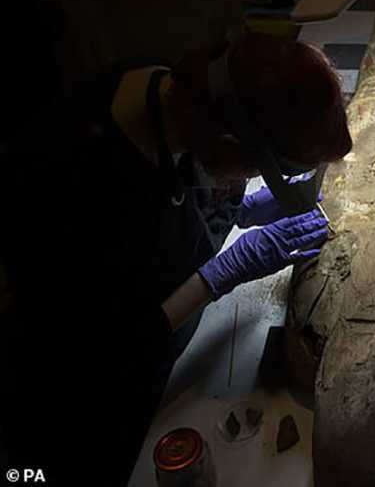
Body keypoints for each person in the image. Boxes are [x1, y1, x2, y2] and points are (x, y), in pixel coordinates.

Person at [0, 31, 351, 485]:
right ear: (226, 146)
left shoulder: (179, 91)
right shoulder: (73, 179)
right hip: (85, 398)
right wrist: (223, 272)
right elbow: (108, 345)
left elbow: (180, 186)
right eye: (258, 169)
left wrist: (240, 206)